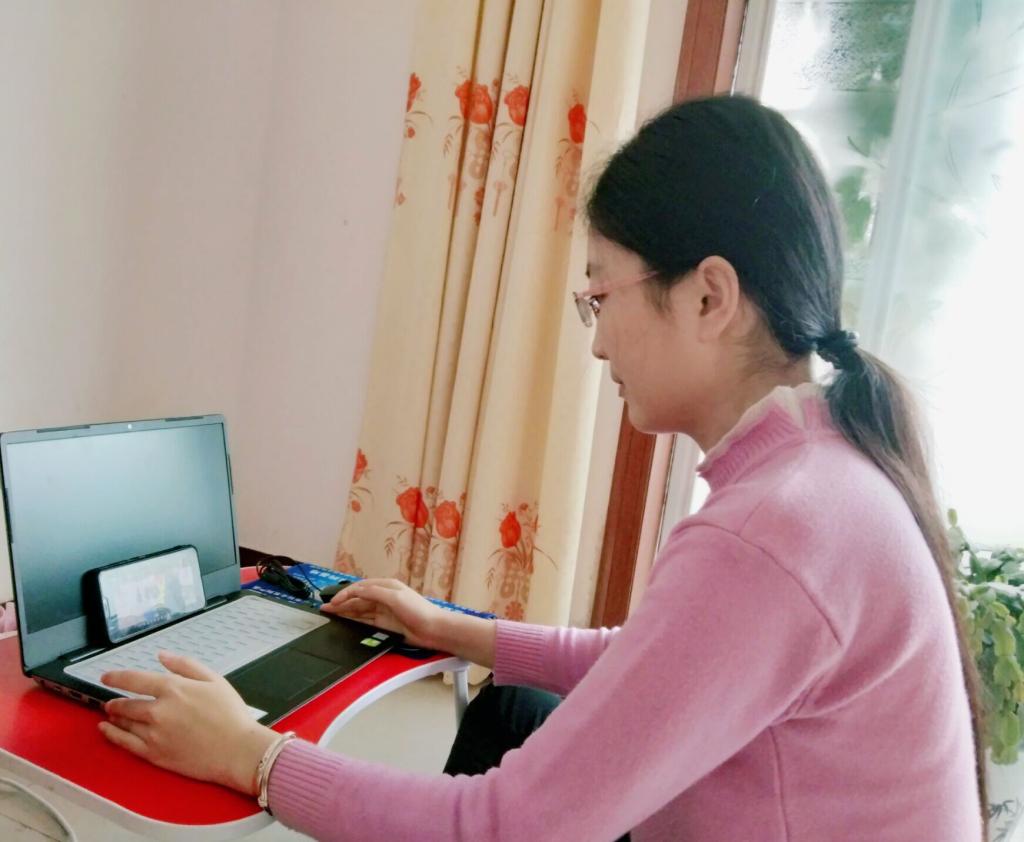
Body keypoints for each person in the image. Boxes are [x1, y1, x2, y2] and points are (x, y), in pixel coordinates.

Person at [98, 95, 985, 841]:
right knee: (510, 710)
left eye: (601, 296)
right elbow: (653, 663)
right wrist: (452, 628)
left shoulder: (771, 532)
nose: (597, 344)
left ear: (709, 296)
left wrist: (252, 756)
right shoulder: (822, 477)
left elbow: (509, 827)